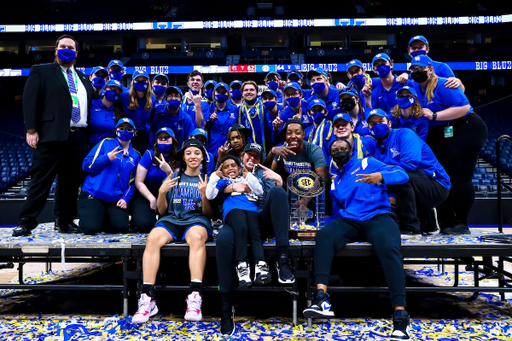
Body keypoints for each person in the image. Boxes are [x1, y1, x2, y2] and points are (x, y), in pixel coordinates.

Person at [303, 137, 411, 341]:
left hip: (378, 217)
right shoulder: (337, 182)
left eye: (342, 148)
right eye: (334, 150)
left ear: (351, 150)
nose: (338, 151)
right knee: (325, 235)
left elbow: (402, 175)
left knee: (389, 248)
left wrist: (380, 176)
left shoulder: (367, 163)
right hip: (351, 220)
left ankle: (400, 314)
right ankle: (321, 298)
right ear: (331, 156)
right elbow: (337, 213)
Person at [13, 34, 93, 237]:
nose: (67, 49)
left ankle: (64, 221)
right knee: (41, 180)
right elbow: (30, 100)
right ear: (56, 50)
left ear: (76, 52)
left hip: (78, 136)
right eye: (63, 46)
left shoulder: (83, 78)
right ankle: (26, 221)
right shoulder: (42, 71)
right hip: (51, 135)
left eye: (71, 47)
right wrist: (31, 130)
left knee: (70, 183)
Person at [216, 143, 294, 337]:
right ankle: (226, 308)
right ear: (241, 158)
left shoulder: (264, 174)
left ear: (261, 160)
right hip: (236, 218)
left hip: (260, 220)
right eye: (248, 156)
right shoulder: (229, 172)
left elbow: (276, 204)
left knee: (278, 191)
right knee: (223, 240)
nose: (252, 159)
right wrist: (230, 186)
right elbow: (213, 193)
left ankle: (282, 261)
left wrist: (279, 182)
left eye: (256, 157)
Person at [132, 139, 213, 323]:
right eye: (188, 153)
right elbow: (161, 211)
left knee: (197, 237)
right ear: (183, 157)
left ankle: (194, 296)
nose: (193, 156)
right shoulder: (173, 177)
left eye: (197, 153)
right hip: (172, 219)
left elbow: (209, 213)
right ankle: (147, 298)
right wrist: (161, 192)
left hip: (196, 220)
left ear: (202, 157)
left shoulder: (208, 178)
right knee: (152, 238)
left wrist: (204, 195)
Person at [408, 55, 487, 235]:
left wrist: (435, 116)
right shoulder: (413, 86)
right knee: (440, 175)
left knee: (459, 175)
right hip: (441, 131)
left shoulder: (444, 84)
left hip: (465, 127)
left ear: (430, 69)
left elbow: (464, 107)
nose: (416, 72)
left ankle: (461, 223)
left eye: (420, 68)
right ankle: (445, 222)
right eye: (413, 69)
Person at [365, 108, 451, 237]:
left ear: (389, 123)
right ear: (369, 128)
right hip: (418, 186)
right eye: (372, 123)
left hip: (437, 184)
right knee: (388, 180)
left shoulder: (405, 134)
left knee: (401, 176)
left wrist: (384, 177)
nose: (377, 125)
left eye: (381, 121)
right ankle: (428, 224)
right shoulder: (377, 147)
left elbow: (410, 164)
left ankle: (410, 228)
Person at [207, 155, 271, 287]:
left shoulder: (245, 179)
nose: (230, 168)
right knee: (241, 228)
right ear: (222, 171)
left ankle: (260, 267)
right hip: (232, 209)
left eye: (233, 165)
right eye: (226, 167)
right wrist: (215, 176)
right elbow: (210, 195)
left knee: (255, 232)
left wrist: (247, 176)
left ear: (239, 167)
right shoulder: (223, 181)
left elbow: (259, 191)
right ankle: (242, 265)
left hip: (251, 209)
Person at [79, 118, 141, 235]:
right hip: (93, 193)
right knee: (90, 228)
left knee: (121, 227)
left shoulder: (136, 156)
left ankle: (101, 218)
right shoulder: (105, 143)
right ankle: (92, 217)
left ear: (134, 132)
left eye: (129, 129)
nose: (125, 131)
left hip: (115, 199)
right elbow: (86, 165)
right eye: (121, 128)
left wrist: (125, 198)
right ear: (116, 130)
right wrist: (106, 158)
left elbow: (133, 182)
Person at [270, 119, 330, 218]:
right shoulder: (281, 149)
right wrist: (272, 152)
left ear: (303, 135)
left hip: (311, 193)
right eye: (289, 133)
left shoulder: (314, 150)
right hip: (290, 191)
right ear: (285, 136)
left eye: (297, 133)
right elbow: (268, 172)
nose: (293, 136)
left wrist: (305, 200)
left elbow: (323, 177)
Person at [132, 127, 178, 232]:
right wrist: (151, 198)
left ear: (173, 140)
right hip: (146, 193)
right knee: (145, 225)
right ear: (156, 141)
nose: (163, 140)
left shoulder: (178, 157)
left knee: (167, 226)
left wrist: (169, 171)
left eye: (166, 138)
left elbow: (178, 183)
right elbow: (139, 182)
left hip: (168, 194)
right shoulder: (149, 154)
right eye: (160, 138)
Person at [396, 35, 465, 92]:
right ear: (409, 51)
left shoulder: (441, 67)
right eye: (414, 48)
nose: (417, 50)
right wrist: (406, 74)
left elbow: (459, 91)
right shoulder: (413, 73)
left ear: (427, 49)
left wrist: (459, 83)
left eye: (420, 47)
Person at [203, 82, 238, 159]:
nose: (221, 94)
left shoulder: (235, 109)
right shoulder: (208, 109)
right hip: (211, 150)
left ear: (228, 94)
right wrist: (211, 121)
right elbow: (203, 127)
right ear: (214, 93)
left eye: (224, 92)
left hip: (230, 150)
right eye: (218, 92)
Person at [121, 69, 153, 153]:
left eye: (143, 80)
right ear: (133, 82)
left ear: (148, 82)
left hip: (142, 138)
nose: (140, 82)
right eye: (137, 80)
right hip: (126, 134)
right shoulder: (124, 97)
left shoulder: (152, 100)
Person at [88, 80, 124, 149]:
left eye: (117, 91)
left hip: (108, 150)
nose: (114, 92)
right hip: (89, 148)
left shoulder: (119, 111)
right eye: (112, 89)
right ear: (104, 89)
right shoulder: (91, 104)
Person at [238, 81, 270, 155]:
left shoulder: (265, 107)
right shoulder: (239, 109)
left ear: (257, 92)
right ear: (242, 93)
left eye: (251, 90)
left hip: (264, 148)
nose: (249, 92)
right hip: (246, 148)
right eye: (246, 90)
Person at [305, 98, 333, 164]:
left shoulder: (329, 127)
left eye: (320, 110)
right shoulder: (307, 131)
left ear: (325, 113)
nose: (317, 113)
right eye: (314, 110)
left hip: (325, 165)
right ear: (309, 114)